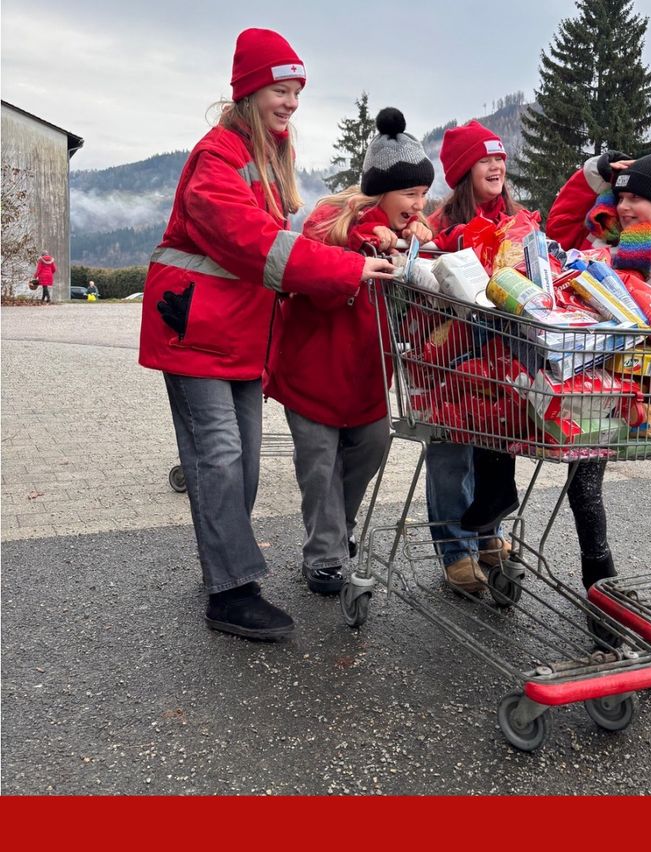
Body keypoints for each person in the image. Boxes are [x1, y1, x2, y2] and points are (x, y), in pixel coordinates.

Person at [137, 28, 394, 641]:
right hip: (195, 329)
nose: (291, 103)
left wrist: (353, 242)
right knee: (219, 457)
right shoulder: (217, 158)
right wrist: (348, 268)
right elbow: (256, 244)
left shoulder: (268, 158)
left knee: (243, 462)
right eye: (281, 90)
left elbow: (289, 241)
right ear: (250, 91)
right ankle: (231, 591)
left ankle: (224, 566)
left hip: (240, 335)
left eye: (297, 92)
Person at [263, 108, 434, 595]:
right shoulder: (332, 220)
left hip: (365, 377)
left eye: (424, 194)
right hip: (312, 372)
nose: (419, 205)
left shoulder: (406, 239)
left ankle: (338, 533)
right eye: (410, 194)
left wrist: (416, 251)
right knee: (319, 465)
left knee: (373, 445)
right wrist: (366, 244)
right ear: (381, 191)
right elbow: (316, 261)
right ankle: (324, 557)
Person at [545, 147, 651, 589]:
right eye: (621, 198)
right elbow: (556, 232)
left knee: (583, 485)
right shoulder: (610, 240)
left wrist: (621, 286)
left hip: (629, 385)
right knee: (581, 482)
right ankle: (600, 583)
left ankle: (601, 582)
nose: (626, 206)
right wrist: (589, 177)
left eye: (638, 197)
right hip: (593, 376)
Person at [421, 121, 523, 594]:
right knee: (451, 454)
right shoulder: (439, 226)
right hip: (450, 357)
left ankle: (489, 532)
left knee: (495, 448)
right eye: (486, 159)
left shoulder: (518, 223)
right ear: (465, 171)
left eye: (500, 158)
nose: (497, 165)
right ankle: (456, 550)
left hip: (501, 362)